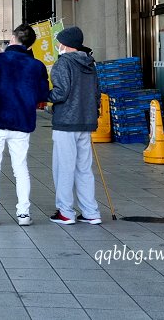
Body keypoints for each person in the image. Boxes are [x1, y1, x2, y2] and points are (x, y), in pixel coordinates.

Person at [0, 24, 51, 226]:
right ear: (30, 45)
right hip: (22, 122)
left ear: (12, 39)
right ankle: (23, 214)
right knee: (20, 168)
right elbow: (42, 95)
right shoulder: (37, 66)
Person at [48, 26, 103, 226]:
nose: (58, 46)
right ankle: (91, 212)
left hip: (66, 122)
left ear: (66, 44)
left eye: (60, 42)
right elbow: (97, 93)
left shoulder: (63, 63)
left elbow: (60, 93)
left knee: (64, 168)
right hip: (86, 122)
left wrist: (44, 96)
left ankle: (65, 212)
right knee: (84, 168)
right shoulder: (90, 63)